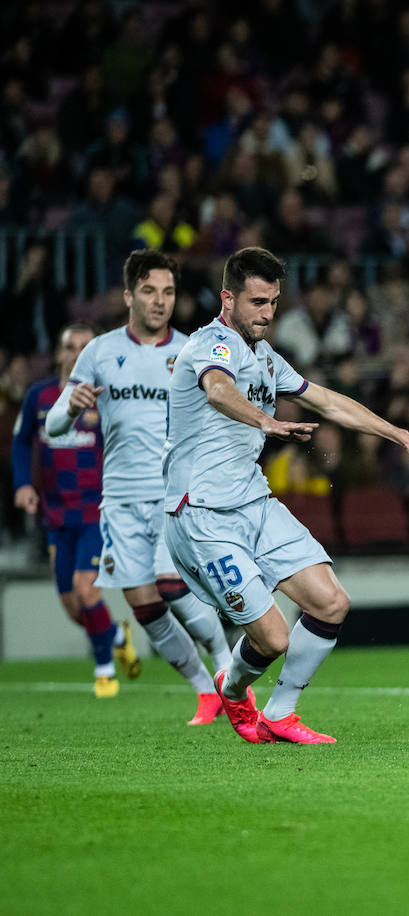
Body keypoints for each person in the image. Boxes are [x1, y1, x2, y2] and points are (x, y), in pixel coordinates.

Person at [162, 247, 409, 744]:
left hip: (252, 502)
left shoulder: (264, 355)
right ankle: (233, 688)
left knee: (331, 603)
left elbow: (325, 400)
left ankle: (281, 713)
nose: (267, 313)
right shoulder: (209, 345)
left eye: (275, 302)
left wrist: (402, 436)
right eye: (257, 302)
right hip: (201, 517)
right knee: (274, 638)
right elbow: (217, 390)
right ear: (228, 298)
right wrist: (266, 420)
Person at [46, 251, 233, 725]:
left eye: (168, 292)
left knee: (170, 584)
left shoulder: (193, 351)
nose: (160, 301)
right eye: (149, 291)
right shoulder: (101, 352)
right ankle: (203, 690)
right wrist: (72, 406)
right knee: (143, 604)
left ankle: (227, 669)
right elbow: (51, 425)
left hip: (174, 498)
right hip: (120, 503)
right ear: (129, 295)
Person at [12, 323, 137, 696]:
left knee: (87, 590)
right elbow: (21, 444)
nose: (77, 352)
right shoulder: (41, 395)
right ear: (59, 353)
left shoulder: (110, 397)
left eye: (86, 346)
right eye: (71, 346)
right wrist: (22, 485)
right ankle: (115, 634)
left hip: (97, 512)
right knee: (71, 606)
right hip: (55, 515)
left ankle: (104, 669)